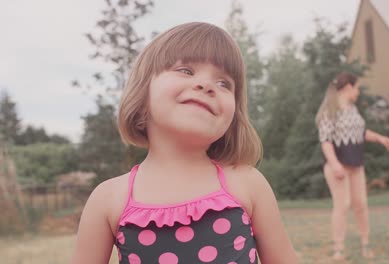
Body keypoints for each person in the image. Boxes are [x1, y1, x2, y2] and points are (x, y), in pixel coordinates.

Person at [71, 22, 298, 264]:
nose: (207, 85)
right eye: (186, 71)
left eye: (224, 83)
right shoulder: (108, 199)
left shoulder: (247, 183)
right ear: (142, 92)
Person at [315, 72, 389, 261]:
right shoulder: (330, 111)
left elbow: (361, 132)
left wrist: (380, 138)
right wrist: (335, 165)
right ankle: (339, 248)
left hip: (356, 166)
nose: (358, 92)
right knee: (342, 206)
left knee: (361, 205)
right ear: (348, 87)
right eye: (357, 87)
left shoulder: (353, 109)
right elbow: (326, 141)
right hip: (338, 167)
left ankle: (365, 243)